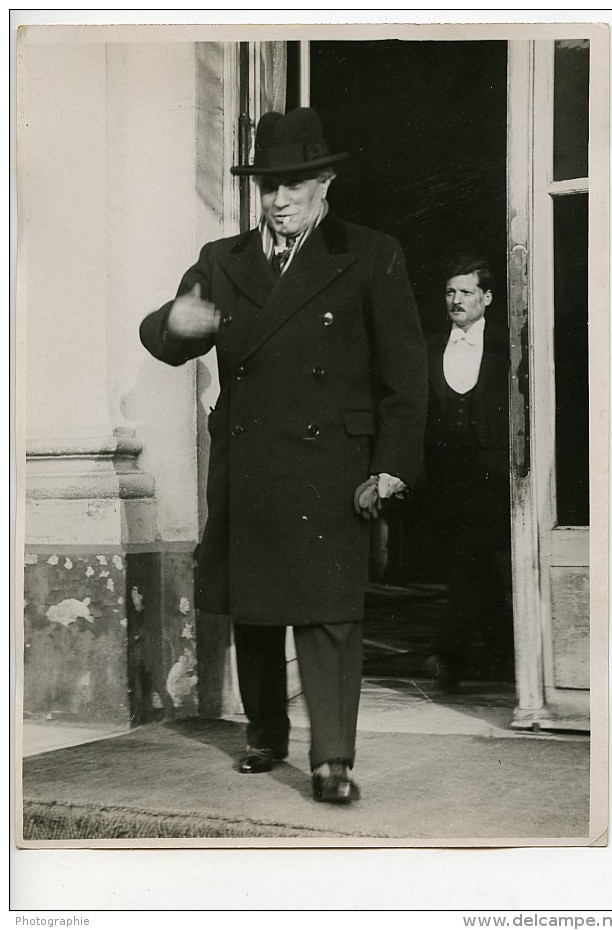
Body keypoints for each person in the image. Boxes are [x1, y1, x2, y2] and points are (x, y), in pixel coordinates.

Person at [140, 107, 428, 804]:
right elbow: (167, 333)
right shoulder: (222, 261)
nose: (278, 198)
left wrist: (392, 463)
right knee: (257, 609)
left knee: (330, 614)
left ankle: (332, 759)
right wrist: (172, 323)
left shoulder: (370, 253)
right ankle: (265, 734)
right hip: (251, 466)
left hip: (334, 468)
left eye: (293, 182)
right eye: (268, 184)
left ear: (325, 182)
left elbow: (406, 375)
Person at [424, 255, 514, 692]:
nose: (456, 300)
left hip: (495, 476)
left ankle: (449, 656)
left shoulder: (508, 344)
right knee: (477, 568)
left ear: (487, 298)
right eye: (450, 292)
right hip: (445, 480)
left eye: (465, 292)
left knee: (470, 563)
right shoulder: (428, 345)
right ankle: (503, 657)